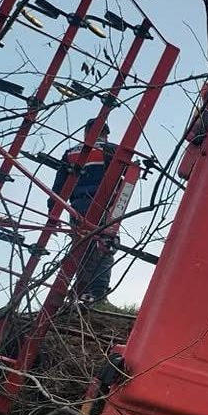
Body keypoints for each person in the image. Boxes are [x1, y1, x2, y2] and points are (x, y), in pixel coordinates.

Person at [47, 118, 117, 305]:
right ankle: (97, 294)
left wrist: (52, 211)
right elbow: (126, 174)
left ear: (86, 132)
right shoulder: (111, 150)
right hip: (104, 205)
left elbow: (58, 187)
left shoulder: (70, 153)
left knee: (81, 247)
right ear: (105, 133)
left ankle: (81, 294)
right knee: (105, 246)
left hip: (76, 207)